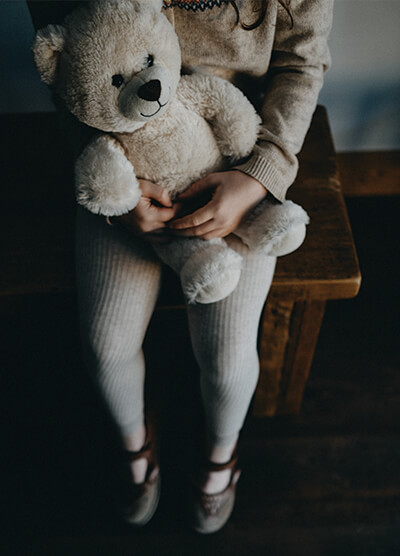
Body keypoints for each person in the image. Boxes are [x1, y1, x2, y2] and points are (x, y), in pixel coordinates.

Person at [28, 0, 333, 534]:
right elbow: (67, 68)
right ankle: (134, 444)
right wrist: (116, 193)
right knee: (103, 344)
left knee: (228, 356)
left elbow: (302, 65)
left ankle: (220, 456)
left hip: (236, 165)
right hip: (120, 161)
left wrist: (258, 176)